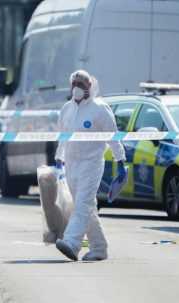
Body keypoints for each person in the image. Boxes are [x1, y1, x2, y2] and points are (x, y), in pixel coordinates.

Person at [54, 70, 127, 261]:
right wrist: (58, 158)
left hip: (91, 163)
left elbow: (113, 137)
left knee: (82, 205)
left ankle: (72, 243)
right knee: (86, 207)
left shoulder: (99, 109)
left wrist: (120, 162)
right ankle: (99, 248)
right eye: (75, 83)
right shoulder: (66, 109)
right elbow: (62, 136)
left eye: (82, 84)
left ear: (90, 87)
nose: (78, 87)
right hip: (71, 164)